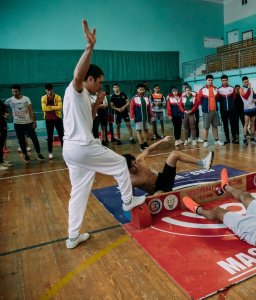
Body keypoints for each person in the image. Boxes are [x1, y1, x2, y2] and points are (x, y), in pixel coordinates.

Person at [62, 20, 145, 249]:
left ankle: (72, 236)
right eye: (98, 82)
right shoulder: (75, 89)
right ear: (89, 79)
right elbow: (78, 75)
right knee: (120, 164)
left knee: (78, 193)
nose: (100, 86)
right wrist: (89, 48)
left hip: (71, 149)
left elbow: (86, 119)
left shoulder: (84, 98)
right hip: (82, 146)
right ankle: (128, 201)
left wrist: (97, 104)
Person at [123, 136, 214, 195]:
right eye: (132, 167)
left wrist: (162, 140)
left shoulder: (139, 160)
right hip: (157, 190)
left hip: (164, 179)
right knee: (157, 198)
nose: (136, 166)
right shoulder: (131, 181)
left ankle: (203, 163)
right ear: (127, 169)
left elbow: (148, 150)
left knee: (174, 154)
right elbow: (132, 198)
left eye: (135, 163)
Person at [6, 85, 45, 162]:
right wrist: (7, 114)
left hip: (28, 123)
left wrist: (34, 122)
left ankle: (39, 154)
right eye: (13, 91)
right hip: (17, 124)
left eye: (16, 91)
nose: (14, 93)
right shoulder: (9, 100)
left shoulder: (26, 99)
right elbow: (4, 108)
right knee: (21, 140)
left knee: (34, 139)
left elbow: (31, 111)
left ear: (19, 91)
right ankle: (26, 155)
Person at [197, 75, 224, 147]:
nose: (210, 81)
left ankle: (216, 140)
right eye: (209, 80)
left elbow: (218, 99)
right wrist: (205, 107)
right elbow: (199, 100)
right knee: (206, 127)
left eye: (211, 80)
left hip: (215, 111)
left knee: (215, 126)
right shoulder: (202, 90)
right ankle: (205, 141)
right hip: (207, 112)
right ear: (206, 81)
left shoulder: (215, 89)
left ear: (213, 81)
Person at [41, 83, 64, 159]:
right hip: (48, 120)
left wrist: (49, 107)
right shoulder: (43, 98)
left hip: (57, 118)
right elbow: (44, 108)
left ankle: (64, 150)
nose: (49, 92)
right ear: (46, 90)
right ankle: (50, 152)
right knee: (50, 137)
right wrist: (55, 107)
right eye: (48, 90)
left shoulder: (58, 97)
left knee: (61, 135)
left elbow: (60, 107)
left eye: (50, 90)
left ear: (52, 90)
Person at [130, 83, 154, 151]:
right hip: (138, 117)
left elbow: (149, 108)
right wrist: (132, 116)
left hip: (146, 117)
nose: (142, 91)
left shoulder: (146, 98)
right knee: (139, 131)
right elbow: (131, 108)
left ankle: (145, 143)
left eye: (143, 90)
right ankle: (141, 145)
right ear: (137, 90)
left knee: (146, 130)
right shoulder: (134, 98)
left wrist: (151, 116)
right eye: (140, 90)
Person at [218, 75, 239, 144]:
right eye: (223, 80)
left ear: (228, 80)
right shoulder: (219, 90)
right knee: (225, 125)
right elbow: (218, 99)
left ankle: (234, 138)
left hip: (231, 110)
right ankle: (227, 139)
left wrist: (231, 106)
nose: (224, 82)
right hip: (223, 111)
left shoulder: (232, 88)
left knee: (233, 124)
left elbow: (234, 98)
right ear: (221, 81)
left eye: (225, 80)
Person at [240, 76, 256, 145]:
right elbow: (246, 96)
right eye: (245, 82)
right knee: (246, 124)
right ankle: (245, 138)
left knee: (253, 124)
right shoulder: (241, 89)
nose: (247, 83)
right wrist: (249, 88)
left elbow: (255, 95)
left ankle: (252, 138)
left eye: (247, 82)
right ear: (242, 82)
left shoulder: (251, 88)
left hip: (253, 108)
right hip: (246, 109)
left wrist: (255, 99)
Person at [0, 99, 12, 170]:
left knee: (1, 143)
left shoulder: (0, 101)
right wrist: (2, 116)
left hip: (2, 124)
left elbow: (4, 108)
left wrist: (6, 113)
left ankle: (1, 161)